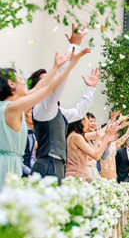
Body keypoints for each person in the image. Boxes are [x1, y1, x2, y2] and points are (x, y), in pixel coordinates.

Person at [0, 47, 89, 188]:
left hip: (12, 164)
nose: (24, 83)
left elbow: (37, 89)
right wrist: (71, 63)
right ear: (11, 84)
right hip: (6, 167)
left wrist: (56, 66)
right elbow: (49, 89)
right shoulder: (13, 108)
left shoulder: (12, 106)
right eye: (20, 79)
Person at [31, 25, 96, 180]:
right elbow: (59, 85)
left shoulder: (57, 112)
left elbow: (80, 112)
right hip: (47, 164)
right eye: (45, 79)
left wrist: (90, 89)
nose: (51, 79)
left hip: (58, 164)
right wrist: (74, 46)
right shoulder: (43, 107)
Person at [65, 116, 117, 181]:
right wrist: (107, 136)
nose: (88, 126)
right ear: (82, 121)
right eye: (88, 122)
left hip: (79, 176)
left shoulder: (75, 135)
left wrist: (98, 138)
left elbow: (90, 157)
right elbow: (96, 156)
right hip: (75, 177)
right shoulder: (76, 136)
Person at [101, 113, 129, 180]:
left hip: (112, 172)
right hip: (102, 170)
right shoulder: (101, 142)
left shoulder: (115, 143)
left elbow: (126, 136)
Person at [22, 109, 36, 176]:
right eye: (32, 113)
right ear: (25, 116)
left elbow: (31, 157)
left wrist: (35, 171)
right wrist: (29, 171)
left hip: (27, 173)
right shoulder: (21, 133)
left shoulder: (32, 135)